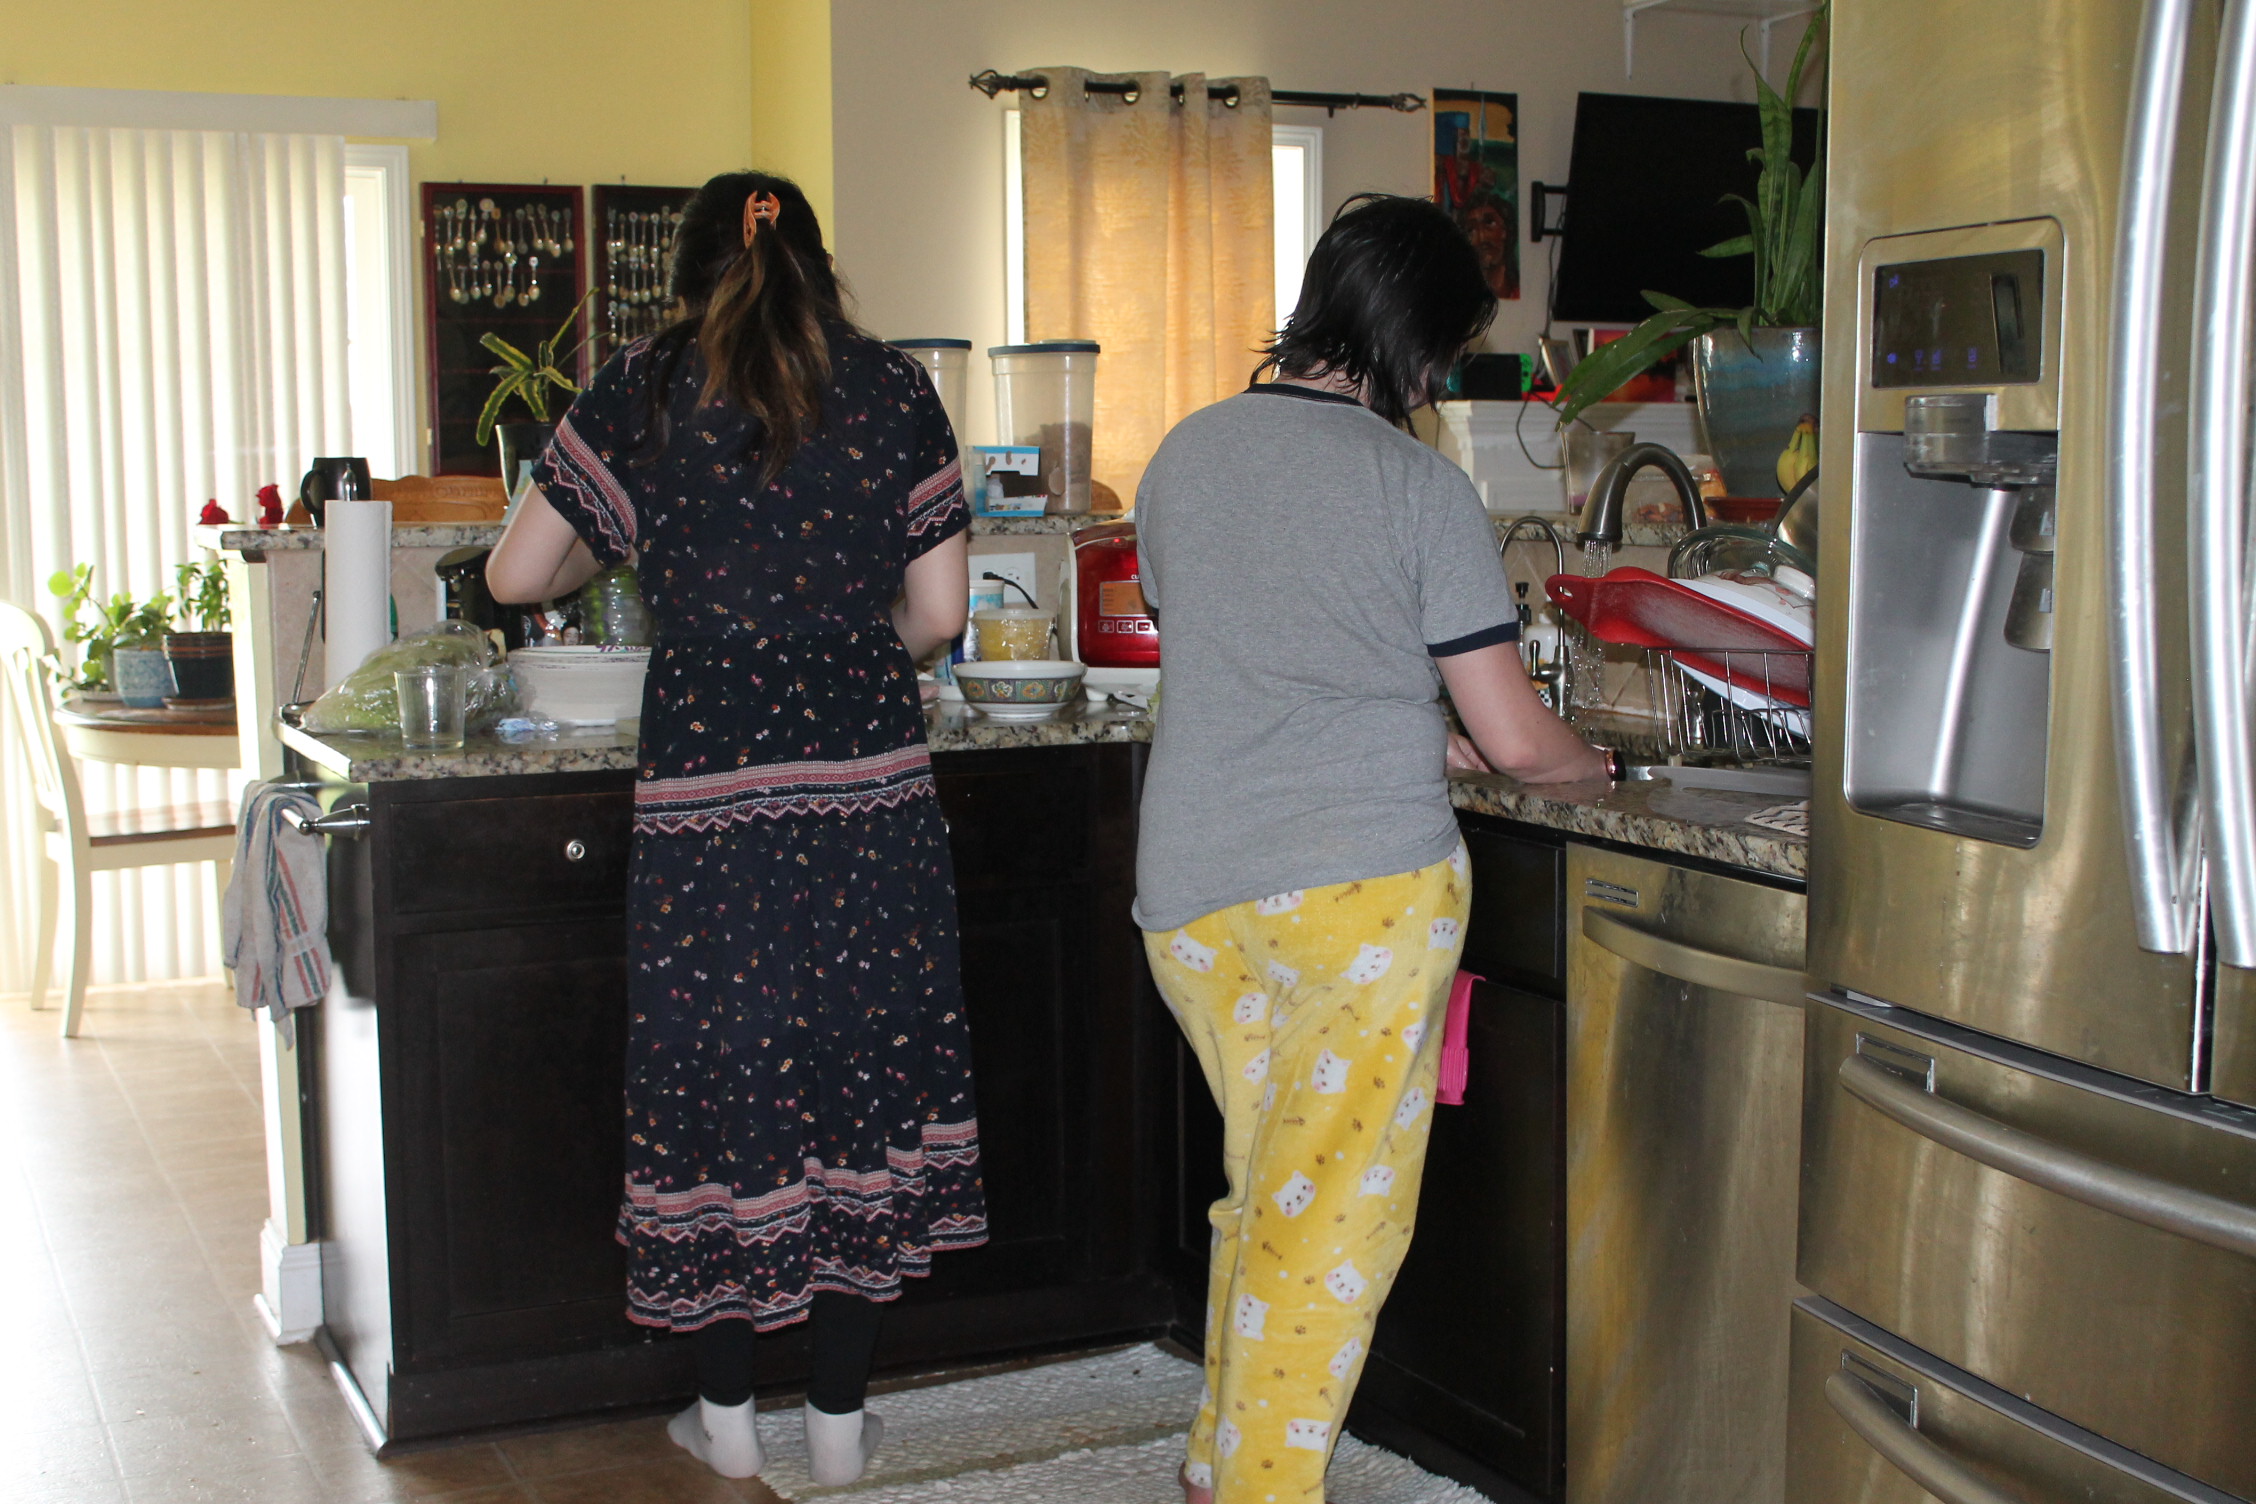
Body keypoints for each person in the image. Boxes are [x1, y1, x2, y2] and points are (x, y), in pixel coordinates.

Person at [485, 171, 985, 1487]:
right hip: (869, 789)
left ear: (683, 276)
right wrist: (850, 648)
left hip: (710, 800)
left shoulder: (642, 387)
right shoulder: (895, 387)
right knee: (861, 1075)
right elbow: (939, 613)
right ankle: (839, 1430)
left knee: (722, 1085)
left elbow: (516, 573)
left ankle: (723, 1422)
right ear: (818, 265)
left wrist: (619, 548)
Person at [1133, 194, 1609, 1504]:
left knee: (1267, 1194)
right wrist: (1591, 765)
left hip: (1194, 899)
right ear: (1417, 341)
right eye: (1446, 352)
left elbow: (1255, 652)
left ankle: (1217, 1466)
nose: (1440, 380)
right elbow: (1518, 739)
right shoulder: (1420, 488)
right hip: (1358, 901)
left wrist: (1407, 728)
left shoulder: (1183, 453)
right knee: (1329, 1226)